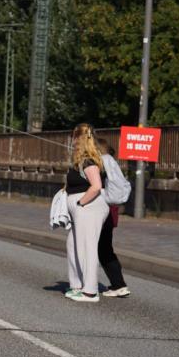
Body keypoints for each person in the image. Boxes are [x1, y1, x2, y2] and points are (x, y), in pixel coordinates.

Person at [64, 123, 108, 303]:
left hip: (89, 208)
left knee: (87, 247)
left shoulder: (89, 160)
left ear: (80, 139)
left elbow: (96, 186)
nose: (72, 142)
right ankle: (77, 285)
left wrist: (80, 203)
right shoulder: (80, 161)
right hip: (82, 208)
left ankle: (90, 291)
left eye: (74, 138)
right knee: (73, 245)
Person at [96, 138, 130, 298]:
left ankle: (119, 284)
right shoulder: (111, 165)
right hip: (110, 213)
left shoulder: (101, 166)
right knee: (105, 249)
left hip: (102, 213)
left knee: (102, 250)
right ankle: (118, 284)